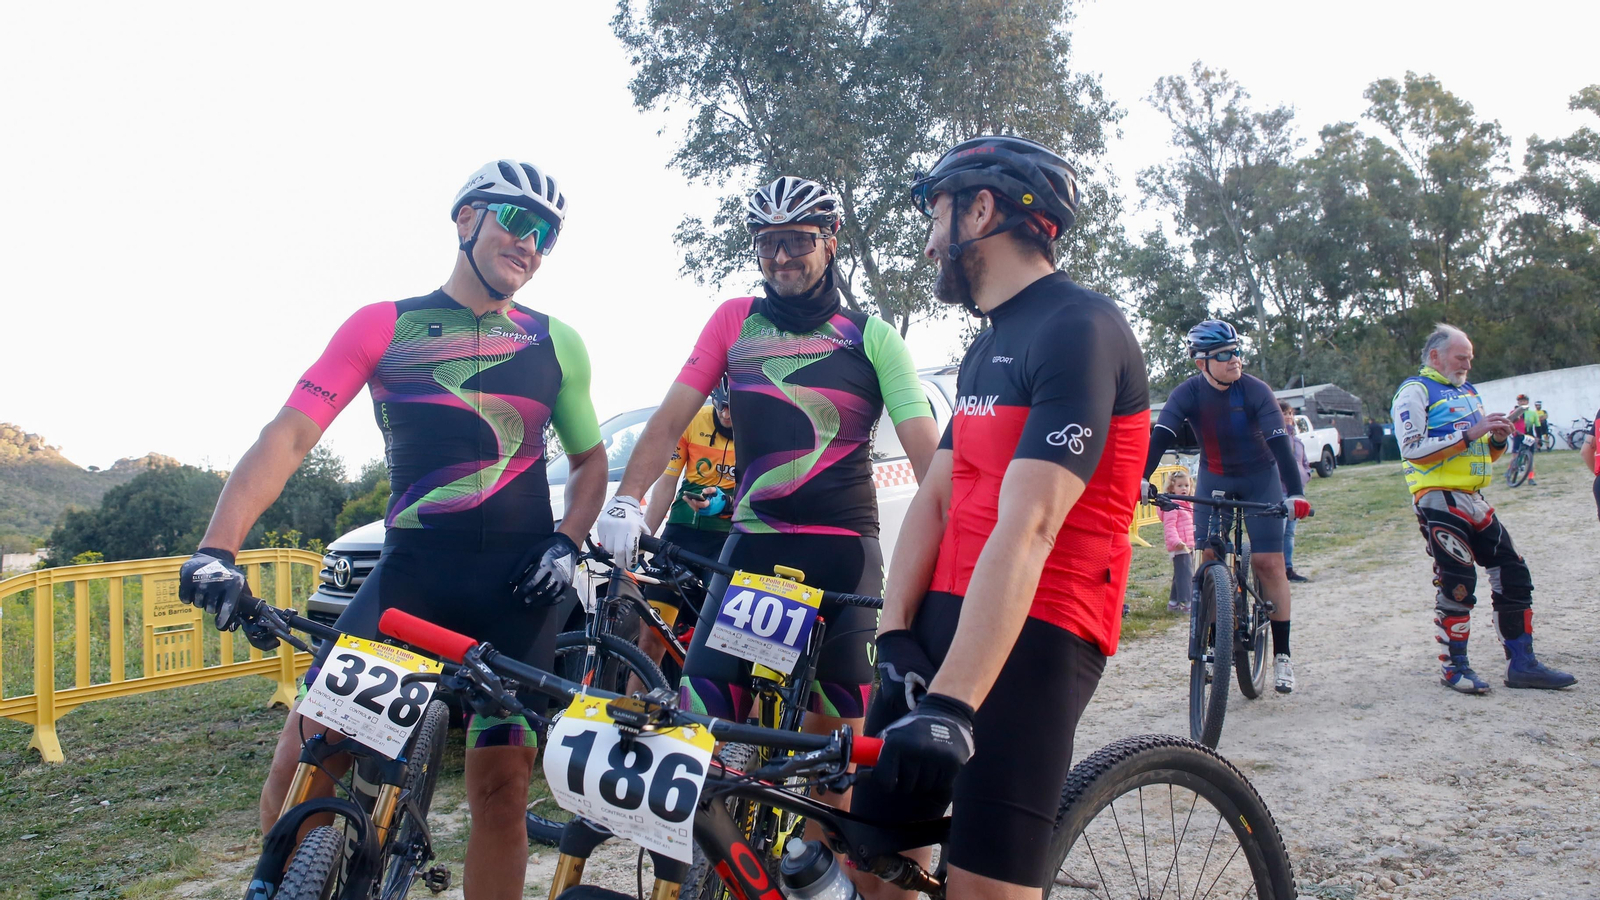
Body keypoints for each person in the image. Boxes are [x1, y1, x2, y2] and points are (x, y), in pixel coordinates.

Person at [176, 160, 608, 899]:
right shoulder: (387, 323)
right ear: (467, 218)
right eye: (517, 221)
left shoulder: (556, 341)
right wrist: (217, 549)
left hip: (517, 598)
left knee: (500, 796)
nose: (531, 244)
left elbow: (592, 461)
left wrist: (568, 542)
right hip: (411, 583)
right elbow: (288, 438)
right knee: (303, 767)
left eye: (548, 236)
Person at [844, 135, 1148, 900]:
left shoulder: (1080, 330)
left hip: (1040, 626)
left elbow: (1033, 524)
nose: (926, 242)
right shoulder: (986, 349)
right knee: (873, 866)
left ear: (982, 210)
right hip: (944, 619)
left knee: (986, 892)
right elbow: (938, 499)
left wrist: (953, 701)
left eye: (935, 214)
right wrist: (895, 635)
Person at [596, 175, 940, 824]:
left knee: (838, 754)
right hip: (755, 551)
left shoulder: (873, 339)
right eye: (767, 244)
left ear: (830, 241)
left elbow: (931, 459)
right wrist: (627, 499)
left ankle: (818, 862)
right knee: (698, 734)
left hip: (844, 557)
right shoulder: (734, 321)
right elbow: (670, 420)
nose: (780, 258)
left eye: (797, 241)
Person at [1390, 324, 1575, 693]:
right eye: (1462, 358)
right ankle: (1455, 668)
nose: (1468, 365)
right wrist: (1471, 433)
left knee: (1513, 571)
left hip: (1475, 497)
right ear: (1435, 356)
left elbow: (1482, 454)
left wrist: (1497, 440)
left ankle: (1522, 665)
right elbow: (1413, 449)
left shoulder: (1468, 391)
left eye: (1470, 359)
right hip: (1437, 498)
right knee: (1458, 582)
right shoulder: (1416, 391)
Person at [1144, 320, 1312, 694]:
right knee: (1209, 556)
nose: (1235, 359)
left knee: (1270, 563)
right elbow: (1162, 435)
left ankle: (1282, 655)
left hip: (1260, 478)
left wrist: (1295, 493)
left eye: (1237, 350)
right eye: (1224, 354)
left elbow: (1280, 445)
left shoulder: (1256, 391)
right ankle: (1213, 641)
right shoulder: (1187, 393)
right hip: (1215, 478)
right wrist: (1142, 477)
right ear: (1201, 363)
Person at [637, 376, 737, 664]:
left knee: (721, 643)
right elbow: (666, 483)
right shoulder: (693, 420)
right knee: (651, 638)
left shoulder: (755, 427)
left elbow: (755, 493)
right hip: (680, 535)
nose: (727, 415)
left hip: (725, 541)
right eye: (722, 408)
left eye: (733, 408)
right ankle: (641, 707)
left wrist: (725, 504)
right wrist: (645, 536)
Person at [1279, 399, 1313, 583]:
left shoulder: (1298, 442)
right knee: (1280, 531)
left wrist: (1306, 475)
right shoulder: (1275, 440)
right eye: (1285, 413)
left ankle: (1289, 568)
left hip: (1297, 492)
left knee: (1290, 532)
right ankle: (1278, 571)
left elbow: (1305, 463)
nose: (1289, 416)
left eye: (1291, 413)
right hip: (1281, 492)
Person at [1161, 469, 1196, 612]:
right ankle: (1187, 603)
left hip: (1188, 545)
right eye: (1180, 486)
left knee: (1180, 574)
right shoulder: (1173, 506)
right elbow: (1169, 527)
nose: (1184, 489)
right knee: (1185, 574)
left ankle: (1173, 602)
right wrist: (1176, 542)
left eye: (1186, 486)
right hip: (1179, 546)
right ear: (1172, 488)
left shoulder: (1187, 504)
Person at [1508, 393, 1538, 485]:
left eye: (1524, 401)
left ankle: (1531, 478)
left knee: (1530, 458)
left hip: (1529, 436)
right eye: (1520, 401)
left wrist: (1538, 437)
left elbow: (1537, 426)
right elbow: (1510, 422)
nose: (1522, 402)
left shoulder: (1533, 413)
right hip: (1518, 435)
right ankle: (1510, 470)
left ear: (1527, 402)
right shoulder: (1513, 412)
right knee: (1515, 455)